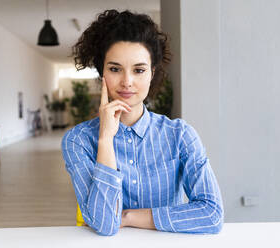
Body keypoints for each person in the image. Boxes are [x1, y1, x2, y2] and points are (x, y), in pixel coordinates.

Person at [61, 9, 224, 236]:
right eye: (115, 69)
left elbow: (212, 215)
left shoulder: (180, 136)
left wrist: (127, 217)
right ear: (102, 73)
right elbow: (106, 224)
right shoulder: (78, 140)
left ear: (152, 73)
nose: (127, 82)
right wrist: (106, 140)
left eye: (139, 70)